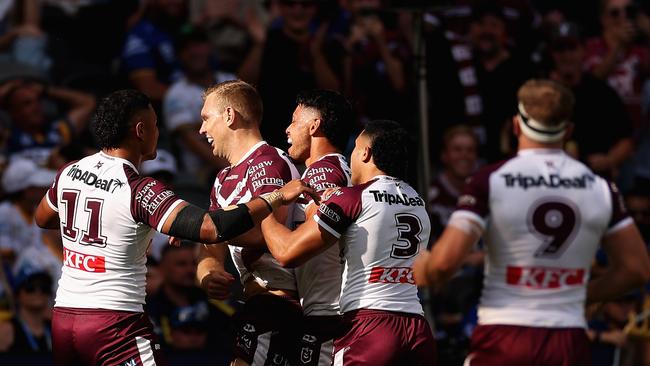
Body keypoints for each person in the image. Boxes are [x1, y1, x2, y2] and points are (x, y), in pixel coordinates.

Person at [32, 88, 313, 366]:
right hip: (114, 322)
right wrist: (275, 197)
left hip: (65, 319)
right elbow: (209, 228)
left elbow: (43, 218)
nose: (200, 129)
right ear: (141, 131)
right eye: (155, 125)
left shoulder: (70, 171)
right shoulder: (138, 189)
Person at [413, 79, 650, 365]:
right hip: (568, 338)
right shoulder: (601, 187)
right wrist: (579, 294)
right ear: (569, 131)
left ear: (516, 126)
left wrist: (418, 268)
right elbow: (636, 269)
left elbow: (443, 264)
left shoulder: (489, 180)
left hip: (505, 334)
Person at [260, 120, 436, 365]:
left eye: (354, 148)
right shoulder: (418, 200)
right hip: (417, 329)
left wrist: (266, 205)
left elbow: (286, 252)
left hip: (370, 326)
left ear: (365, 153)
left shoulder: (353, 197)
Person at [195, 80, 302, 366]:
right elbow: (210, 246)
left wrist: (201, 227)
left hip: (280, 304)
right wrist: (209, 272)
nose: (201, 130)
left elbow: (263, 233)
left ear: (229, 116)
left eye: (206, 119)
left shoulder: (268, 162)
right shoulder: (222, 178)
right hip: (257, 304)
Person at [285, 89, 353, 365]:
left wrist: (266, 209)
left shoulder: (322, 171)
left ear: (314, 126)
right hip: (333, 311)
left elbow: (300, 244)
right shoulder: (340, 167)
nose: (287, 129)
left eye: (293, 120)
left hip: (329, 315)